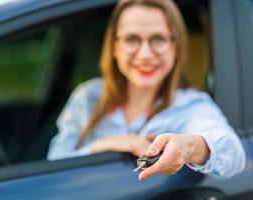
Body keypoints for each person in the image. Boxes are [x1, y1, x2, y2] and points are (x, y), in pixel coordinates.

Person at [47, 0, 246, 180]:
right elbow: (53, 164)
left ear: (175, 48)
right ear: (115, 47)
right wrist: (101, 147)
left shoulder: (190, 104)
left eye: (158, 39)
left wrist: (188, 147)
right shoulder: (88, 97)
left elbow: (234, 154)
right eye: (132, 39)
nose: (145, 54)